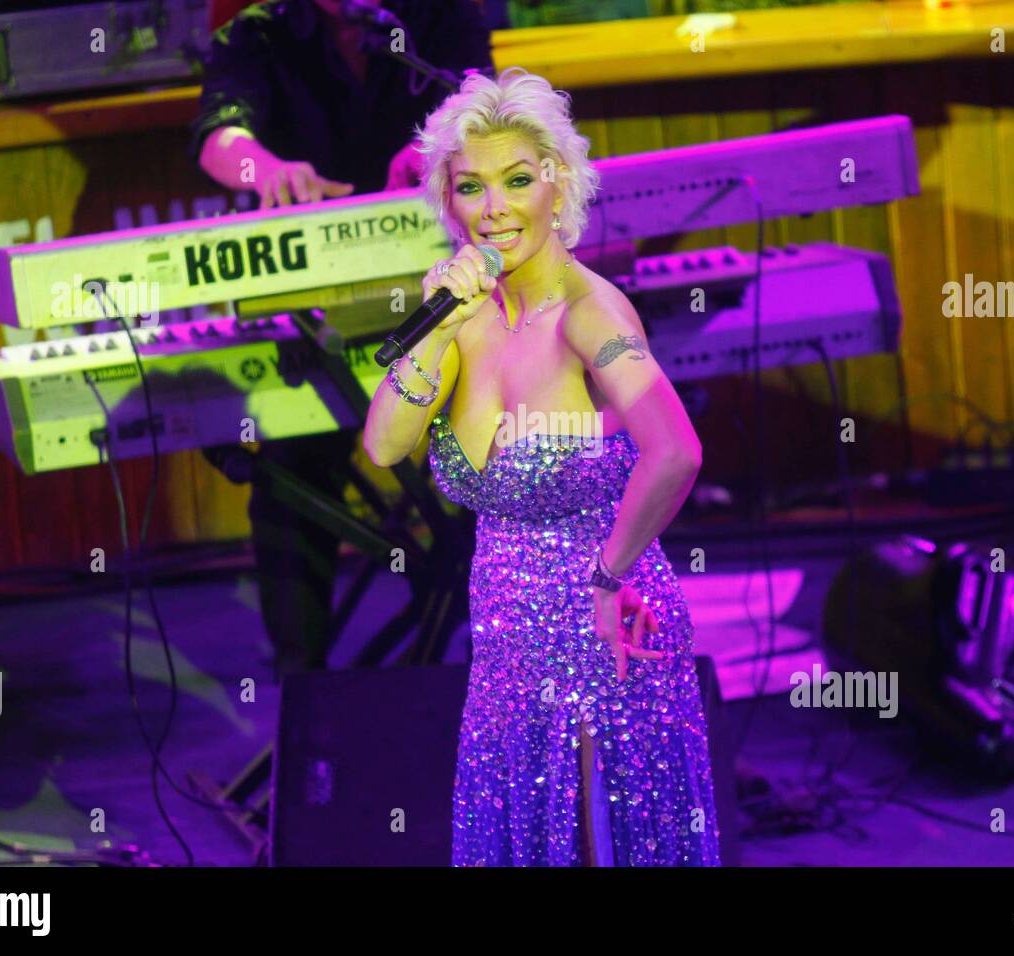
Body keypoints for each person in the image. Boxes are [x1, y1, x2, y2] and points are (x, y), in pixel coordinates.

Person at [363, 68, 721, 866]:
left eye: (517, 181)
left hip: (605, 621)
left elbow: (676, 451)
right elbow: (386, 445)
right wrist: (433, 329)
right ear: (446, 201)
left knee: (599, 847)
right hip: (503, 633)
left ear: (558, 187)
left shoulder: (590, 315)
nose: (493, 209)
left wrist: (605, 576)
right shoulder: (463, 318)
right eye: (470, 187)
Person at [189, 0, 492, 678]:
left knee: (500, 441)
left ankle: (503, 683)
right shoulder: (258, 30)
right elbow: (220, 132)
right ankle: (306, 700)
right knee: (294, 467)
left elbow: (482, 100)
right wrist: (264, 172)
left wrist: (431, 155)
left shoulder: (442, 14)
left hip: (441, 284)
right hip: (313, 299)